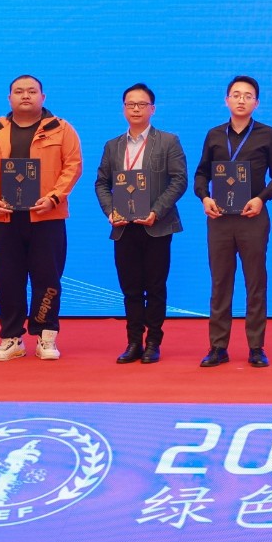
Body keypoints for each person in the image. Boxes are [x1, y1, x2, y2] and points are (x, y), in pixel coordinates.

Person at [0, 75, 83, 362]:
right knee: (7, 279)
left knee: (48, 278)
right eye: (19, 91)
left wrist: (54, 197)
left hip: (47, 216)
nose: (25, 96)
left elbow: (73, 166)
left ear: (43, 97)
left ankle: (46, 336)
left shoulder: (61, 129)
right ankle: (11, 338)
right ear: (9, 98)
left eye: (32, 91)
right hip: (3, 219)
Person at [193, 75, 272, 368]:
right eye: (236, 95)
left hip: (252, 217)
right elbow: (201, 173)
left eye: (248, 96)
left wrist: (261, 199)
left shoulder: (268, 134)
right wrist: (204, 198)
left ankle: (256, 347)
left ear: (256, 103)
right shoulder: (214, 135)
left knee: (255, 282)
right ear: (227, 100)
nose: (241, 100)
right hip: (219, 218)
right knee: (220, 282)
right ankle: (218, 347)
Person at [92, 83, 187, 364]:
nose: (136, 109)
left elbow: (179, 180)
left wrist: (156, 211)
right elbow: (101, 183)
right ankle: (133, 341)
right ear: (123, 109)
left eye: (142, 104)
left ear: (152, 109)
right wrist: (111, 211)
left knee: (155, 287)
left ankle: (153, 342)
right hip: (124, 227)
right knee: (130, 288)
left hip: (157, 225)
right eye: (130, 104)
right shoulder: (113, 146)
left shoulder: (168, 141)